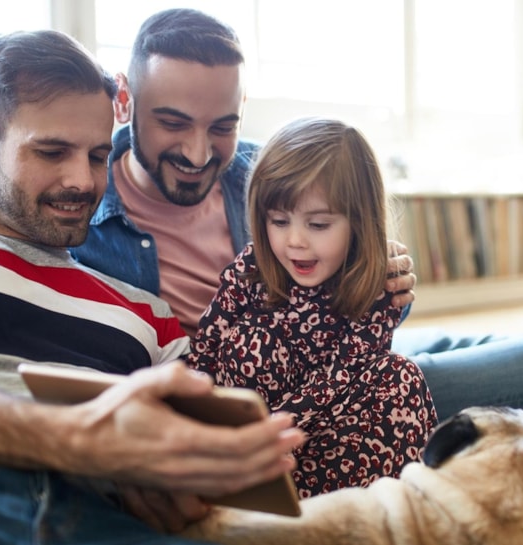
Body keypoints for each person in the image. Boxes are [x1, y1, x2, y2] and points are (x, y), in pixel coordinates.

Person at [71, 7, 523, 458]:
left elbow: (361, 281)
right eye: (173, 123)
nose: (201, 151)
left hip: (349, 345)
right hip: (320, 400)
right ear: (126, 98)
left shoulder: (263, 175)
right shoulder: (82, 217)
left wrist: (387, 278)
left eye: (222, 125)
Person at [0, 29, 305, 544]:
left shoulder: (148, 313)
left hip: (87, 511)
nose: (82, 180)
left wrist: (182, 475)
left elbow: (180, 447)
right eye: (52, 152)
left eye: (98, 155)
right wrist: (73, 440)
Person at [187, 117, 437, 498]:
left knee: (402, 377)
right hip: (241, 441)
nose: (295, 242)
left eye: (318, 224)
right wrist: (198, 427)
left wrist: (274, 430)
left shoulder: (377, 285)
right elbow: (206, 346)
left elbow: (343, 376)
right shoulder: (251, 268)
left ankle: (350, 507)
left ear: (359, 222)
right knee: (250, 341)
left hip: (324, 432)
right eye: (279, 221)